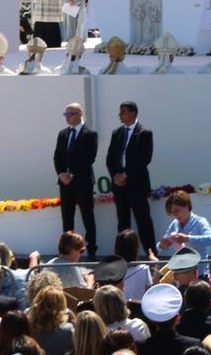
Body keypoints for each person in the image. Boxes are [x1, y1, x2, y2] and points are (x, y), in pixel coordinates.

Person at [107, 102, 156, 254]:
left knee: (143, 220)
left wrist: (126, 174)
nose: (120, 115)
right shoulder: (117, 133)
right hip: (119, 185)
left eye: (123, 111)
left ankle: (151, 254)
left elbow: (144, 158)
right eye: (120, 111)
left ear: (133, 113)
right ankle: (124, 256)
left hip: (137, 184)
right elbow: (110, 158)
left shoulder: (144, 133)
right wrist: (115, 175)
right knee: (122, 221)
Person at [55, 103, 98, 256]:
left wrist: (72, 174)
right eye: (65, 115)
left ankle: (91, 249)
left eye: (70, 114)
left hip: (83, 181)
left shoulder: (90, 134)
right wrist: (61, 174)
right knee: (67, 217)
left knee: (87, 216)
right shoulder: (63, 134)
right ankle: (66, 250)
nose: (67, 117)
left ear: (79, 114)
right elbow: (57, 157)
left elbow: (89, 158)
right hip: (65, 183)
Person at [159, 192, 211, 279]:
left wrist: (187, 238)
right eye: (171, 212)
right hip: (180, 275)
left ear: (187, 206)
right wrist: (162, 245)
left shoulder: (200, 221)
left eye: (176, 211)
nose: (174, 215)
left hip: (199, 275)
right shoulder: (175, 223)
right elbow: (160, 245)